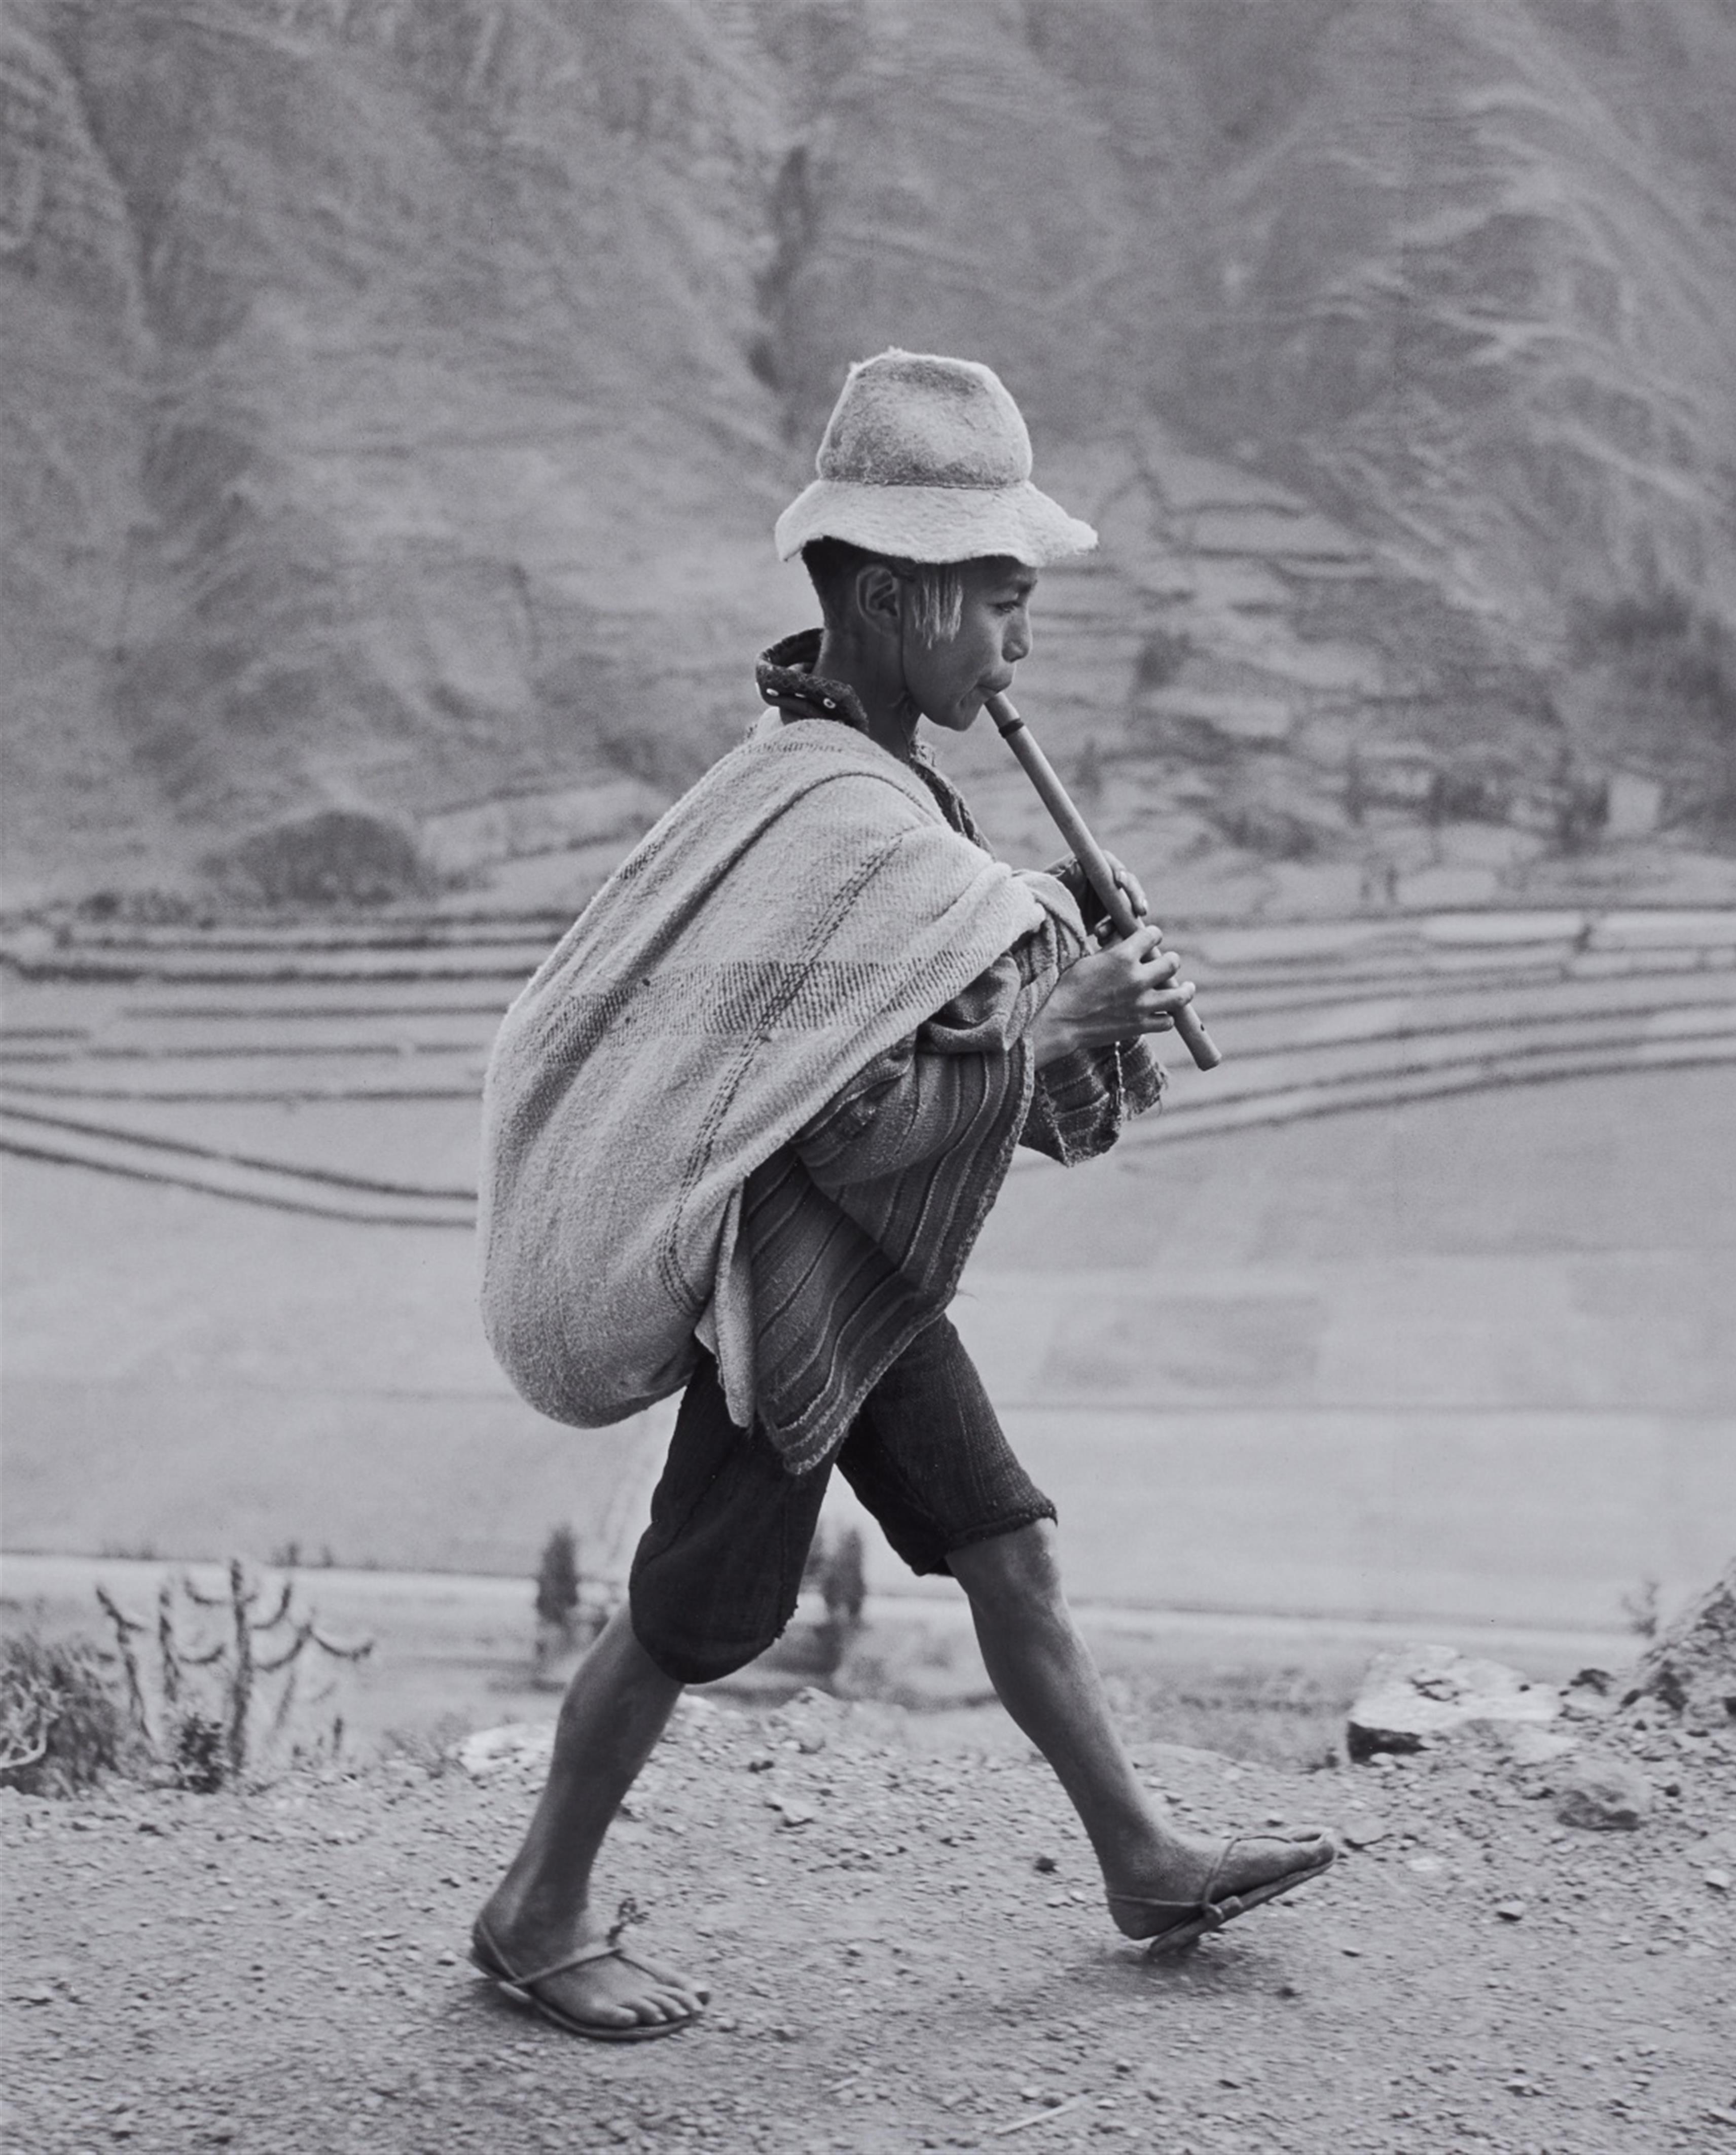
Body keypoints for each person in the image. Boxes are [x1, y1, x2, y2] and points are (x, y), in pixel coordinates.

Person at [468, 350, 1335, 2041]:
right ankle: (533, 1906)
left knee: (1006, 1545)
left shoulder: (856, 799)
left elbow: (909, 1056)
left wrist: (1044, 945)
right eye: (999, 601)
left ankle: (1142, 1852)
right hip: (786, 1304)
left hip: (864, 1286)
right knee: (691, 1611)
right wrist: (1056, 1015)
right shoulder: (849, 826)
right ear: (889, 596)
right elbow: (856, 1125)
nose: (1021, 643)